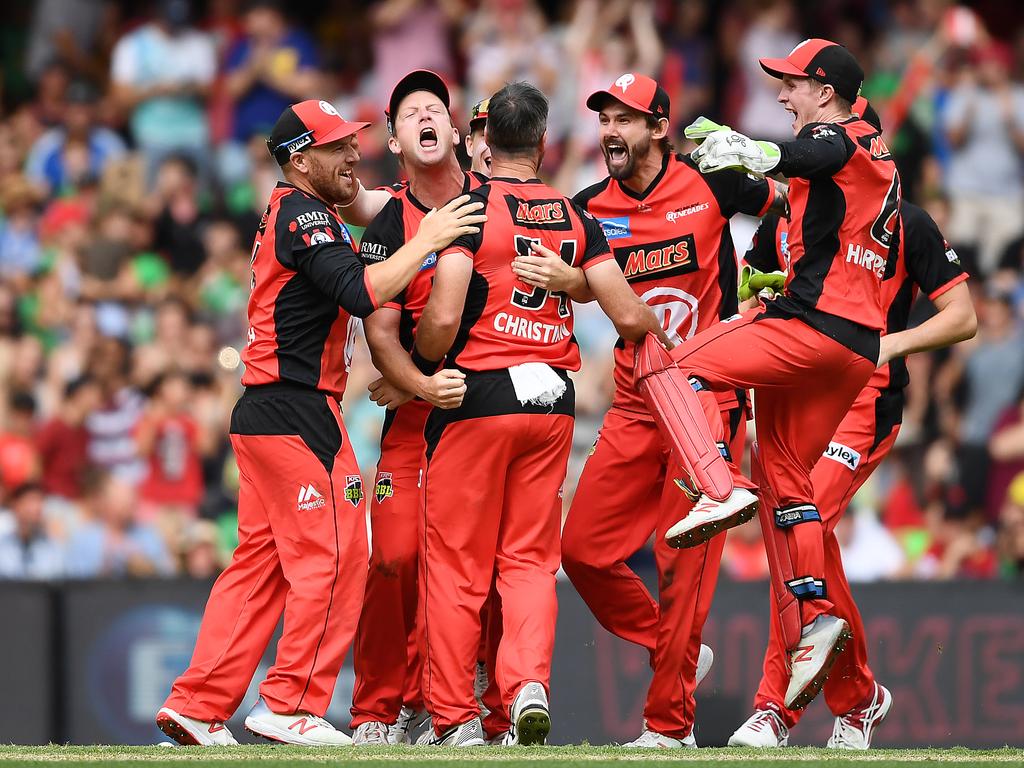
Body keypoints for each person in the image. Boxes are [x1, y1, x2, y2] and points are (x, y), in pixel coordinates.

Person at [155, 99, 484, 747]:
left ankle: (198, 703)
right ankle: (293, 701)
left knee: (260, 567)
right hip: (299, 410)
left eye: (352, 142)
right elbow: (363, 292)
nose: (353, 154)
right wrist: (429, 238)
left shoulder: (300, 211)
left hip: (265, 411)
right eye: (336, 147)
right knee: (337, 555)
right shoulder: (306, 215)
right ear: (299, 159)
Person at [635, 39, 901, 712]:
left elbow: (818, 151)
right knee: (785, 479)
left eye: (790, 84)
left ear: (824, 90)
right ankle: (813, 623)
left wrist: (758, 151)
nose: (781, 95)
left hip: (811, 330)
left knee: (660, 358)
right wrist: (756, 176)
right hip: (855, 351)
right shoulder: (870, 156)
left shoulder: (843, 137)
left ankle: (716, 485)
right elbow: (803, 184)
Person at [411, 80, 665, 747]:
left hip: (479, 396)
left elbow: (440, 318)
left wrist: (423, 355)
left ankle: (457, 720)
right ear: (544, 143)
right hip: (552, 398)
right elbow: (634, 318)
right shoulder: (575, 217)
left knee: (459, 564)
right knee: (527, 560)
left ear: (485, 140)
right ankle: (527, 683)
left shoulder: (468, 208)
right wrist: (573, 283)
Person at [730, 102, 976, 750]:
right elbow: (752, 287)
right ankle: (860, 698)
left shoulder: (907, 225)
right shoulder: (788, 213)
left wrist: (888, 347)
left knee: (793, 524)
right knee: (812, 539)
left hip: (865, 400)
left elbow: (962, 316)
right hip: (798, 389)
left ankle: (775, 710)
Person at [554, 72, 783, 749]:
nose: (610, 132)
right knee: (583, 550)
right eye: (604, 119)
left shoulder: (713, 183)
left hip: (707, 398)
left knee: (680, 559)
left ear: (659, 127)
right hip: (631, 401)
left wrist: (771, 272)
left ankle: (668, 728)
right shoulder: (588, 205)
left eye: (625, 119)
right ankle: (670, 646)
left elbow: (794, 205)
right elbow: (573, 280)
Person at [343, 71, 493, 747]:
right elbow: (378, 334)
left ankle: (443, 700)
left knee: (471, 569)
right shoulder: (386, 223)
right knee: (393, 558)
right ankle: (378, 709)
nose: (425, 117)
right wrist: (420, 386)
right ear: (398, 142)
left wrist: (419, 384)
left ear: (455, 133)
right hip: (413, 419)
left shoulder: (497, 203)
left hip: (486, 412)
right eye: (410, 114)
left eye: (435, 108)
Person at [0, 483, 63, 580]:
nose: (36, 508)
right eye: (30, 501)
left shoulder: (52, 547)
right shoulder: (3, 547)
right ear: (15, 505)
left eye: (39, 502)